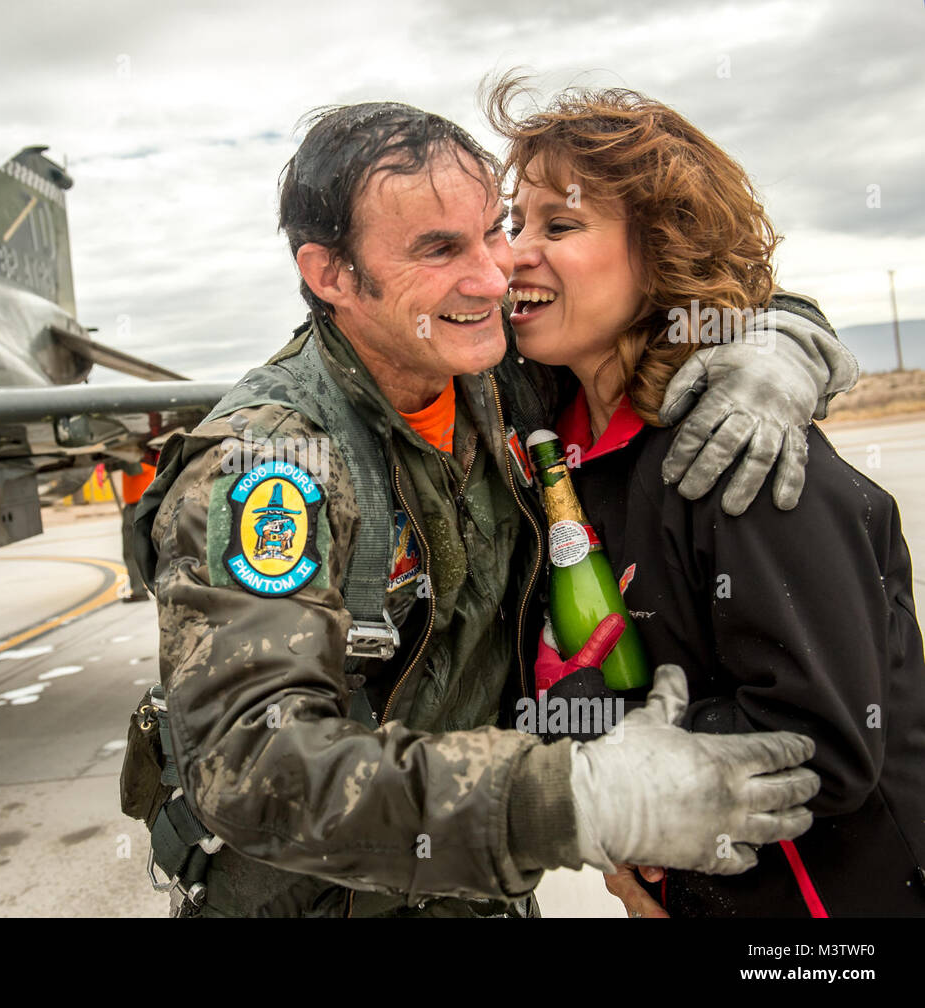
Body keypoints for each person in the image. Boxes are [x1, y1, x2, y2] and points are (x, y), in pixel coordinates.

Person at [122, 100, 856, 918]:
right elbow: (251, 766)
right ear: (331, 275)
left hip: (476, 895)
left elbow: (660, 300)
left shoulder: (495, 371)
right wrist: (577, 801)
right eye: (439, 250)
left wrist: (777, 342)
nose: (494, 277)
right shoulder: (270, 465)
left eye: (494, 231)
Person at [490, 77, 925, 917]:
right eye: (515, 225)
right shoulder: (555, 451)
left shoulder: (737, 448)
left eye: (560, 225)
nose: (513, 255)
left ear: (663, 250)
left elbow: (823, 746)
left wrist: (595, 744)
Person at [118, 453, 157, 602]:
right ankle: (138, 590)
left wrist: (117, 458)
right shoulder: (130, 455)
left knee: (149, 550)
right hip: (131, 507)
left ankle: (162, 585)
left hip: (142, 506)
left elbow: (134, 470)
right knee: (129, 552)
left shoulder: (146, 456)